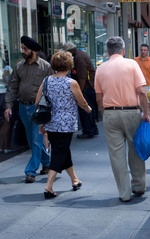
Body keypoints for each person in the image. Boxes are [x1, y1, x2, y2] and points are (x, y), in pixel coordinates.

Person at [94, 36, 150, 202]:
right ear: (123, 50)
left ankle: (124, 193)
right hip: (132, 112)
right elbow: (141, 91)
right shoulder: (132, 64)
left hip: (110, 113)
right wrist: (146, 112)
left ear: (107, 51)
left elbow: (99, 97)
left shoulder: (101, 69)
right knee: (136, 149)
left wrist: (105, 113)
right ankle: (139, 186)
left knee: (116, 155)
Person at [35, 51, 92, 198]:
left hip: (50, 123)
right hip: (66, 124)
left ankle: (74, 180)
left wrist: (42, 122)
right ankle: (48, 186)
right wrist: (88, 109)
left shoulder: (46, 81)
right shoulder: (71, 83)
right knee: (59, 153)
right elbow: (82, 101)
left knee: (62, 151)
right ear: (69, 66)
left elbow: (37, 102)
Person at [4, 36, 53, 183]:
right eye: (22, 48)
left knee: (36, 139)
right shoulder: (19, 66)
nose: (23, 51)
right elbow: (12, 87)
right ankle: (47, 163)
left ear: (33, 50)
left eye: (25, 49)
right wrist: (8, 106)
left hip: (37, 108)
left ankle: (31, 171)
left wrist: (49, 109)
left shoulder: (45, 67)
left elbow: (51, 88)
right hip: (22, 107)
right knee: (33, 141)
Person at [62, 42, 99, 139]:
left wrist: (80, 92)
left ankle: (88, 130)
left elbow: (82, 76)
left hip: (86, 87)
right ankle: (93, 129)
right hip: (89, 86)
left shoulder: (78, 58)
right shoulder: (81, 54)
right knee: (90, 109)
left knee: (85, 110)